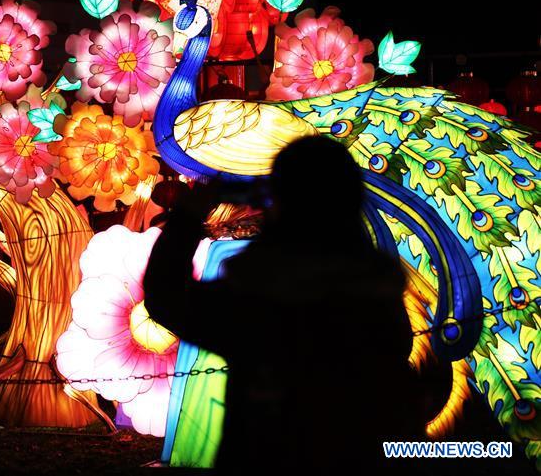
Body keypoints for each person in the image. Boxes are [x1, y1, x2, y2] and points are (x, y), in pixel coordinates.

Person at [144, 136, 425, 471]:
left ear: (280, 200)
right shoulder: (374, 288)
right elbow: (397, 350)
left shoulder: (256, 292)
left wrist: (189, 216)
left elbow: (165, 296)